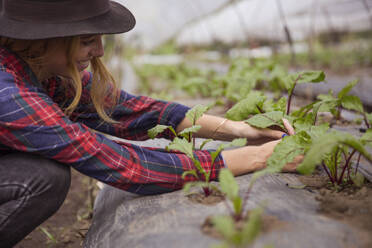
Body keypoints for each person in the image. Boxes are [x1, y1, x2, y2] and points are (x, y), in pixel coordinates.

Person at [0, 0, 299, 246]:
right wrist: (257, 157)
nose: (100, 51)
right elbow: (114, 161)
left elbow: (129, 110)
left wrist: (239, 128)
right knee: (45, 178)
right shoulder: (8, 93)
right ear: (41, 41)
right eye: (88, 41)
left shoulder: (41, 72)